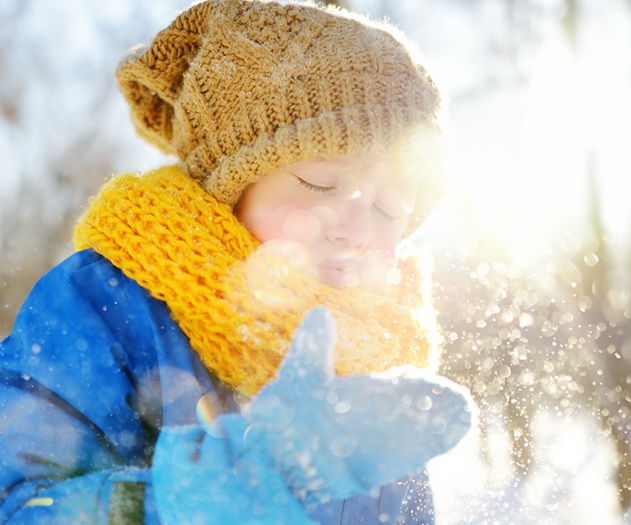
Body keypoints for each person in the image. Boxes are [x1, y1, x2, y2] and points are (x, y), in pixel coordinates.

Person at [0, 1, 472, 523]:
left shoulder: (375, 370)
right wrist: (187, 502)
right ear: (229, 187)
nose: (357, 231)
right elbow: (18, 500)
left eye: (389, 210)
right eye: (320, 183)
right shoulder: (108, 306)